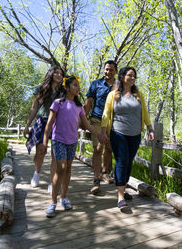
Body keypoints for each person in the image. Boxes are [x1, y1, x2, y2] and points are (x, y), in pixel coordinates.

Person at [43, 74, 106, 218]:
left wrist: (98, 135)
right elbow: (49, 124)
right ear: (66, 87)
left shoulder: (78, 106)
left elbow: (87, 124)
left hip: (72, 141)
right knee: (61, 168)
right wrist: (45, 141)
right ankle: (52, 202)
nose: (78, 88)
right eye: (75, 85)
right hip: (58, 140)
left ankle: (63, 198)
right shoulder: (58, 103)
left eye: (78, 85)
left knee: (68, 169)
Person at [101, 66, 155, 211]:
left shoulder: (138, 95)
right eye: (130, 75)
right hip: (118, 133)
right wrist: (103, 131)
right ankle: (120, 196)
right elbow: (106, 114)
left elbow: (145, 112)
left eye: (134, 76)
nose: (133, 78)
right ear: (123, 77)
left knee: (129, 162)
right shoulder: (113, 95)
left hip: (135, 134)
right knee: (121, 160)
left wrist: (150, 128)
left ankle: (123, 188)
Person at [24, 65, 64, 192]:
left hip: (58, 122)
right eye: (56, 73)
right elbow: (34, 108)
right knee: (41, 151)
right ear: (51, 74)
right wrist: (27, 125)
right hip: (42, 121)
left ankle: (52, 182)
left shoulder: (63, 91)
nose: (58, 75)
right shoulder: (41, 89)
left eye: (61, 74)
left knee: (55, 154)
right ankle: (37, 172)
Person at [84, 60, 117, 194]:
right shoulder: (96, 84)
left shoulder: (118, 85)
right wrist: (83, 120)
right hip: (97, 119)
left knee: (109, 148)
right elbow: (88, 103)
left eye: (111, 70)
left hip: (113, 121)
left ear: (115, 71)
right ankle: (96, 180)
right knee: (98, 148)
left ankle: (104, 172)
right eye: (106, 69)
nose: (108, 72)